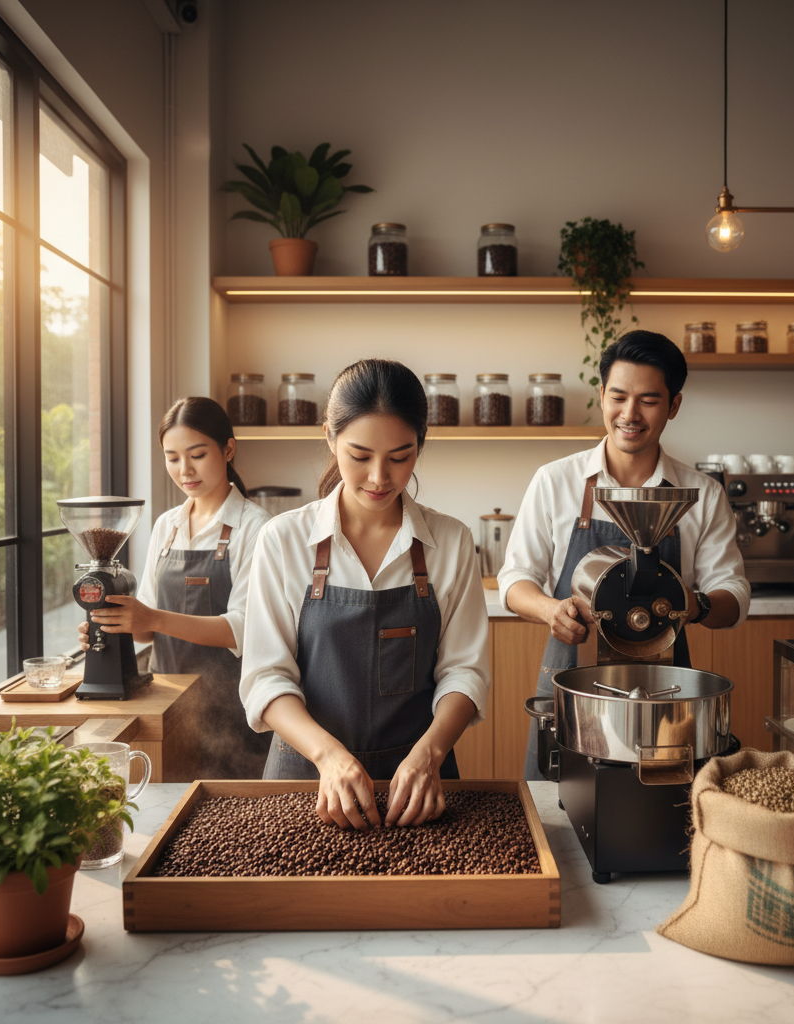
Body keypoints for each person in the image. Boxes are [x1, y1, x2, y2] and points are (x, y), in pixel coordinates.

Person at [239, 358, 490, 829]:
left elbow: (464, 673)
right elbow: (265, 679)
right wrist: (328, 756)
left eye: (400, 457)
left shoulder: (451, 541)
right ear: (330, 439)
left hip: (418, 787)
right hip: (305, 780)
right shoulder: (283, 539)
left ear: (420, 445)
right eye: (359, 456)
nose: (379, 477)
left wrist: (431, 753)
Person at [497, 330, 750, 779]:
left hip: (665, 697)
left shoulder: (702, 495)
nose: (629, 414)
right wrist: (551, 610)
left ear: (673, 405)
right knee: (560, 812)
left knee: (657, 819)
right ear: (601, 396)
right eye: (618, 397)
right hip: (570, 687)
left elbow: (732, 593)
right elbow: (514, 580)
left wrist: (698, 603)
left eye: (649, 401)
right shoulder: (556, 481)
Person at [79, 397, 272, 778]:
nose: (184, 470)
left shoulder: (258, 527)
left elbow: (245, 628)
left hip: (233, 710)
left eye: (197, 454)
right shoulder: (166, 526)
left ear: (228, 449)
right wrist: (111, 625)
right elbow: (147, 631)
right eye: (172, 457)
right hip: (166, 706)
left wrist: (150, 616)